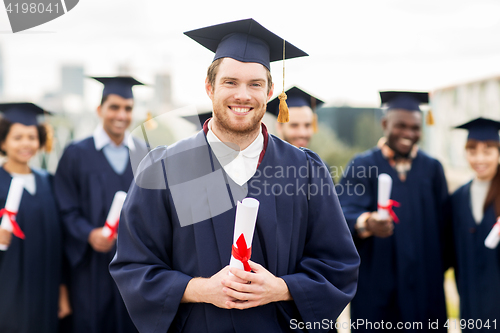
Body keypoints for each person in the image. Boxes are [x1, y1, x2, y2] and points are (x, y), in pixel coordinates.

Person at [110, 18, 359, 333]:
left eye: (255, 84)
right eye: (230, 82)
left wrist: (280, 288)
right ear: (209, 87)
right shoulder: (164, 168)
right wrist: (202, 289)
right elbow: (134, 267)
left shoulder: (305, 170)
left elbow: (338, 265)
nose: (243, 95)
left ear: (270, 92)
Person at [338, 91, 450, 332]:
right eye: (401, 125)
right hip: (377, 287)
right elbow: (342, 214)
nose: (409, 134)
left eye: (415, 128)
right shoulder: (362, 165)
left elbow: (445, 227)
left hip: (424, 287)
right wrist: (366, 223)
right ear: (385, 124)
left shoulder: (432, 169)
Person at [54, 77, 148, 333]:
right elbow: (64, 208)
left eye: (127, 108)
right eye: (114, 107)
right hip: (90, 269)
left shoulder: (145, 154)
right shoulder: (76, 153)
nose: (121, 115)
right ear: (100, 110)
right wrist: (88, 233)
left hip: (134, 268)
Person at [0, 103, 71, 332]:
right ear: (3, 142)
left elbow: (60, 242)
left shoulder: (48, 181)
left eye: (31, 137)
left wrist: (62, 292)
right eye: (17, 137)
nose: (26, 143)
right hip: (8, 288)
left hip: (46, 287)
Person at [451, 117, 500, 331]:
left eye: (487, 151)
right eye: (472, 151)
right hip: (471, 304)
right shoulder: (458, 197)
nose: (479, 158)